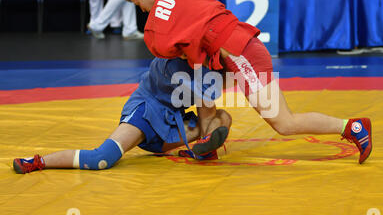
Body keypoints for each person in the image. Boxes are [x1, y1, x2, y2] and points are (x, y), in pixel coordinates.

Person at [124, 0, 373, 164]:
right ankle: (208, 144)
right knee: (202, 89)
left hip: (240, 54)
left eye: (138, 4)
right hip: (233, 51)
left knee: (284, 123)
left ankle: (354, 127)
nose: (143, 10)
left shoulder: (161, 13)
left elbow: (161, 45)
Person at [13, 57, 232, 174]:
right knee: (101, 159)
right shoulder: (170, 58)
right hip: (146, 114)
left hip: (170, 124)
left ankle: (202, 150)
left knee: (223, 118)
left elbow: (209, 112)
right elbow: (206, 109)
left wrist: (206, 141)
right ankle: (40, 161)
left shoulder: (207, 71)